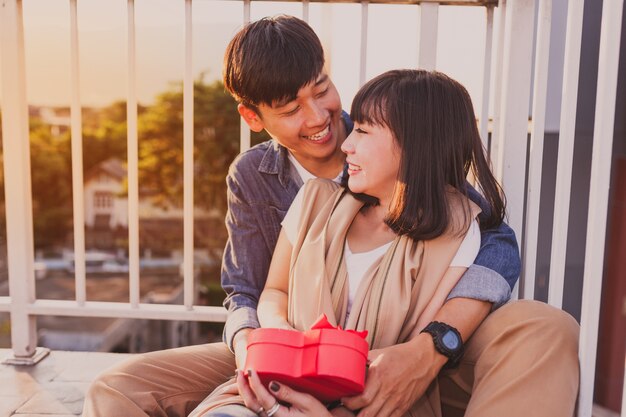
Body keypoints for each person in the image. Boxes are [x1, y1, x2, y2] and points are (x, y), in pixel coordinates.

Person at [83, 16, 578, 417]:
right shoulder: (256, 176)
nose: (320, 116)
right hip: (290, 349)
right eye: (290, 108)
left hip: (401, 346)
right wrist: (258, 358)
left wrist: (430, 349)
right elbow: (248, 291)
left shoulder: (392, 144)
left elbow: (491, 239)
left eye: (321, 88)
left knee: (543, 326)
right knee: (117, 388)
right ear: (253, 118)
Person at [188, 69, 580, 417]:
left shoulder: (458, 228)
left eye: (361, 130)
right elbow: (267, 290)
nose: (345, 145)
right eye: (290, 109)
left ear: (414, 145)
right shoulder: (316, 201)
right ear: (254, 117)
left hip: (366, 391)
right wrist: (280, 340)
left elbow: (409, 349)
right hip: (280, 375)